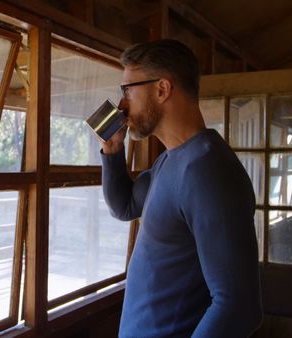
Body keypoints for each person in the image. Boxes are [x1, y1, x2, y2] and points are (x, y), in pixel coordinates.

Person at [100, 39, 262, 337]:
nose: (121, 105)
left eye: (127, 91)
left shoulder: (209, 170)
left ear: (162, 89)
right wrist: (112, 152)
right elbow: (123, 206)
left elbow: (239, 306)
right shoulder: (170, 161)